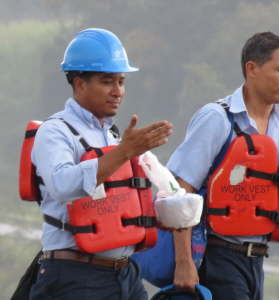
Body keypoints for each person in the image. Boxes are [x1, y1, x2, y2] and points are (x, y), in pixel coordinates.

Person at [167, 32, 279, 300]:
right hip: (215, 257)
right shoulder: (217, 119)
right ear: (251, 69)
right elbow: (180, 190)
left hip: (256, 262)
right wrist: (183, 262)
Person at [28, 28, 172, 300]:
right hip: (75, 276)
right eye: (108, 82)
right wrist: (124, 152)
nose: (118, 91)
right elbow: (62, 185)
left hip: (126, 274)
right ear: (80, 84)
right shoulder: (55, 131)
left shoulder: (114, 135)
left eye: (121, 81)